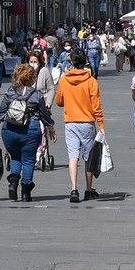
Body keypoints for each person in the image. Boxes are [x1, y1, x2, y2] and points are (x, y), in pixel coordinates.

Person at [0, 63, 56, 203]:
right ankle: (26, 192)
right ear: (31, 78)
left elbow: (1, 112)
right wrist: (50, 128)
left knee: (15, 157)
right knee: (28, 160)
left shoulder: (10, 91)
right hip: (30, 130)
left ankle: (13, 182)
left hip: (9, 130)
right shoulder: (36, 94)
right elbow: (44, 114)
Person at [55, 48, 104, 204]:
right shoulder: (91, 81)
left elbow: (59, 101)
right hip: (87, 123)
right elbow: (96, 106)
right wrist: (101, 125)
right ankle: (88, 189)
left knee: (73, 156)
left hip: (70, 122)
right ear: (85, 62)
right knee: (89, 157)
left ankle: (74, 189)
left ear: (71, 62)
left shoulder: (63, 80)